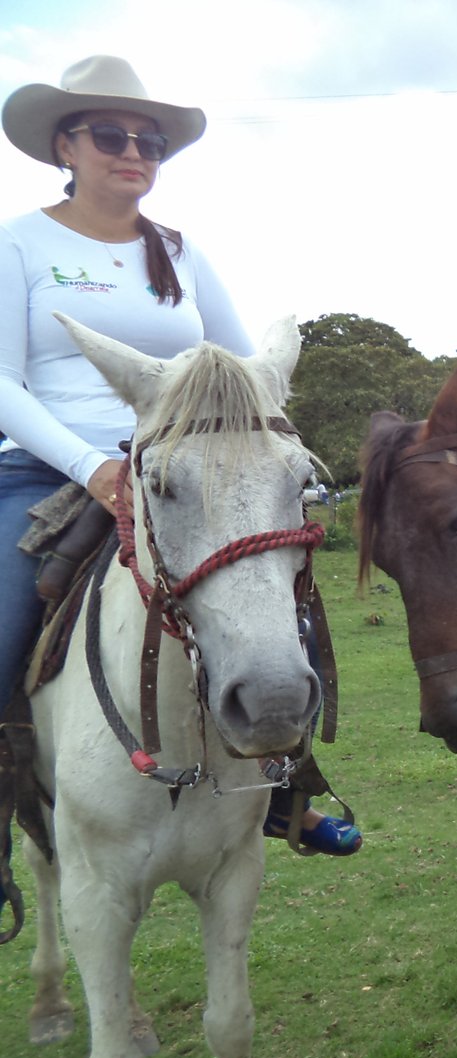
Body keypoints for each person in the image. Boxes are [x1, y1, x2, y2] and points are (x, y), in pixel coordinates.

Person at [0, 55, 359, 855]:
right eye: (110, 135)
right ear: (65, 146)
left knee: (280, 597)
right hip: (46, 471)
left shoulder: (178, 251)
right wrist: (92, 468)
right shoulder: (18, 244)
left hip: (182, 475)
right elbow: (2, 381)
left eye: (150, 143)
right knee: (0, 634)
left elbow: (244, 370)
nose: (134, 152)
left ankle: (287, 789)